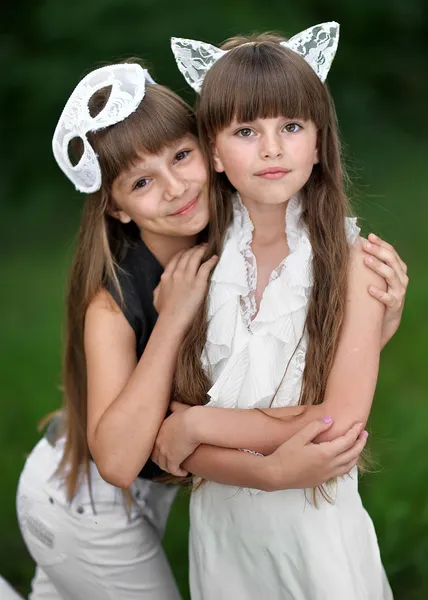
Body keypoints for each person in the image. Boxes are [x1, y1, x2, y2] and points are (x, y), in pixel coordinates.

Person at [16, 54, 406, 599]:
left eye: (181, 155)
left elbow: (300, 371)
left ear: (209, 149)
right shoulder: (113, 300)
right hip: (83, 500)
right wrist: (172, 321)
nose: (175, 188)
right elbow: (122, 460)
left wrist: (377, 321)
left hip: (174, 482)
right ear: (118, 208)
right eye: (143, 182)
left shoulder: (233, 239)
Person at [155, 22, 405, 599]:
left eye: (290, 126)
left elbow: (337, 428)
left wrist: (197, 426)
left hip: (313, 537)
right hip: (222, 537)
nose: (271, 148)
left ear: (317, 144)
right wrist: (195, 435)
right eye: (246, 130)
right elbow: (164, 430)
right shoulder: (200, 266)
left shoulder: (354, 265)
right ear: (214, 153)